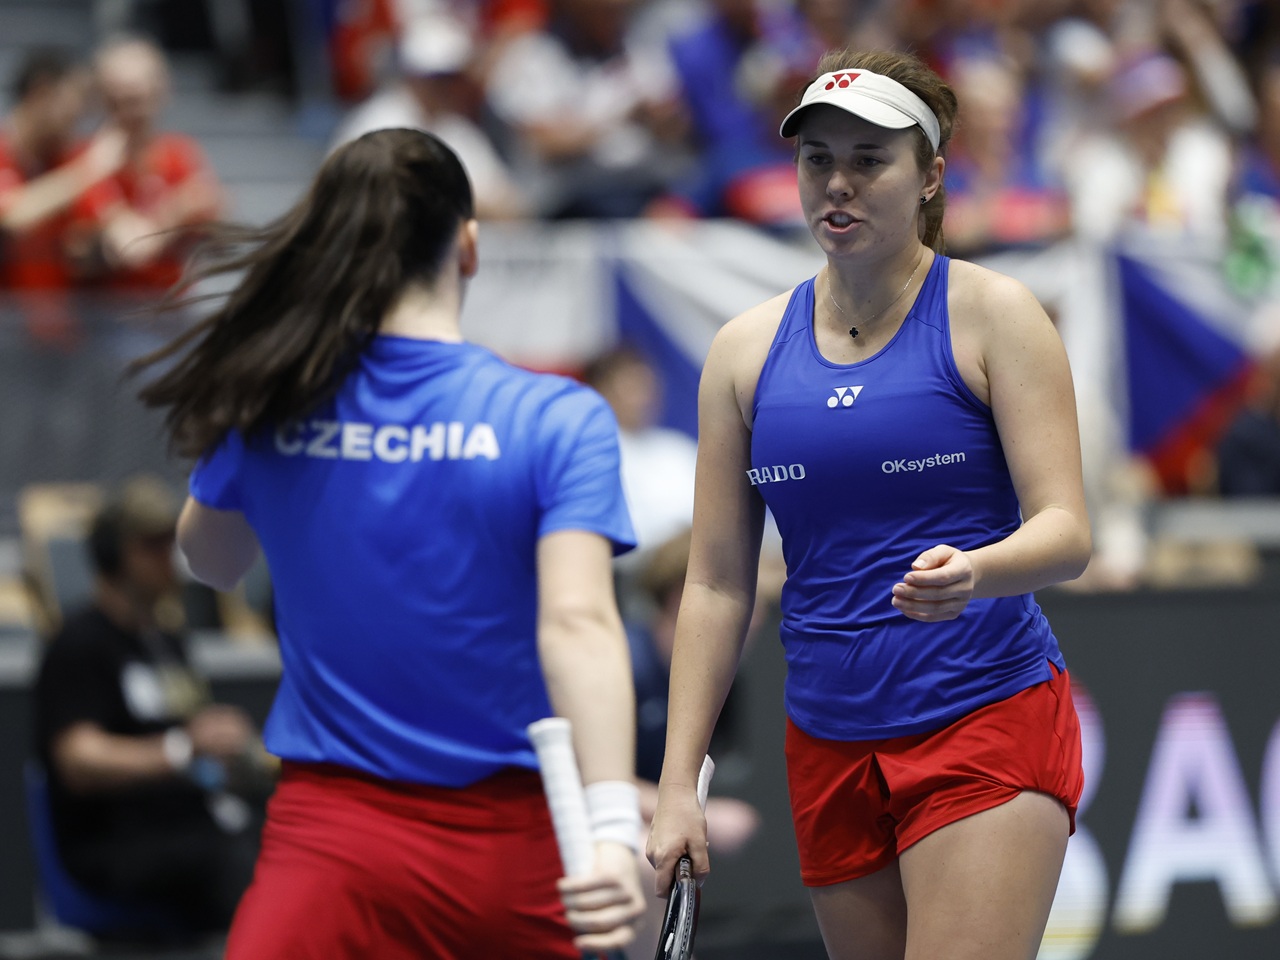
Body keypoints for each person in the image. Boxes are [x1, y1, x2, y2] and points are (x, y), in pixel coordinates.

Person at [132, 127, 645, 958]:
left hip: (330, 849)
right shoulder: (556, 416)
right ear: (468, 246)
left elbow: (212, 562)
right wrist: (615, 828)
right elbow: (577, 624)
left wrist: (244, 422)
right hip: (514, 855)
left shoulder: (272, 404)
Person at [646, 49, 1093, 960]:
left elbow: (1067, 532)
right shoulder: (742, 352)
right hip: (827, 740)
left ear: (930, 176)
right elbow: (719, 582)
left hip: (983, 714)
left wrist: (977, 571)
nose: (837, 183)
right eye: (817, 159)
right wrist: (676, 783)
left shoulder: (997, 314)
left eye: (868, 160)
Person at [32, 475, 263, 937]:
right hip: (118, 844)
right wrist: (182, 749)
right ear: (113, 555)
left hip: (190, 826)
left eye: (170, 544)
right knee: (243, 865)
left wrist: (227, 748)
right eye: (152, 546)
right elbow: (78, 760)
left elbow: (192, 733)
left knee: (297, 838)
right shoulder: (80, 642)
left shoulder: (166, 642)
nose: (169, 559)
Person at [327, 13, 527, 219]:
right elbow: (354, 198)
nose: (447, 87)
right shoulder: (375, 122)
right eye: (439, 78)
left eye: (454, 77)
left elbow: (509, 203)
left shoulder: (459, 130)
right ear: (414, 75)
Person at [74, 35, 223, 292]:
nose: (133, 112)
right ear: (105, 100)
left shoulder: (179, 153)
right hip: (110, 306)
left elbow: (216, 227)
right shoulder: (90, 162)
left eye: (141, 98)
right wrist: (176, 211)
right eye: (121, 101)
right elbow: (131, 249)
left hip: (171, 301)